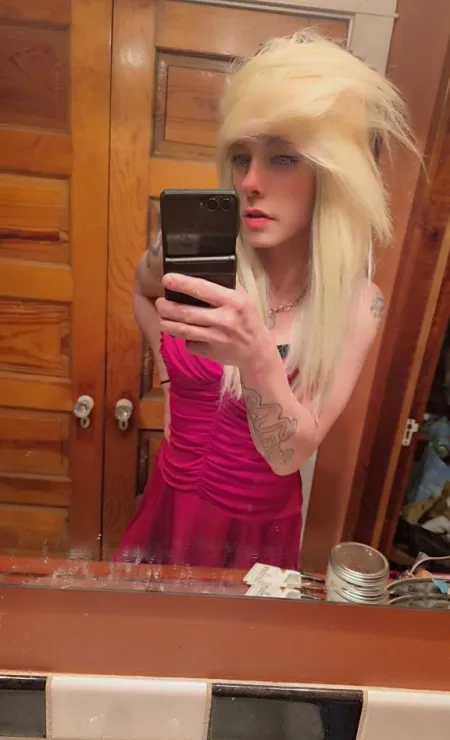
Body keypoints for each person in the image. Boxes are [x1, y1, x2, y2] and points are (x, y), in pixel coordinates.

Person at [115, 31, 416, 569]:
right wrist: (168, 377)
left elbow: (288, 456)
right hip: (169, 498)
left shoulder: (356, 306)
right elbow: (141, 290)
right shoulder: (191, 255)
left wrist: (256, 357)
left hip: (251, 534)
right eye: (240, 157)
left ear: (333, 175)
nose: (250, 182)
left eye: (281, 158)